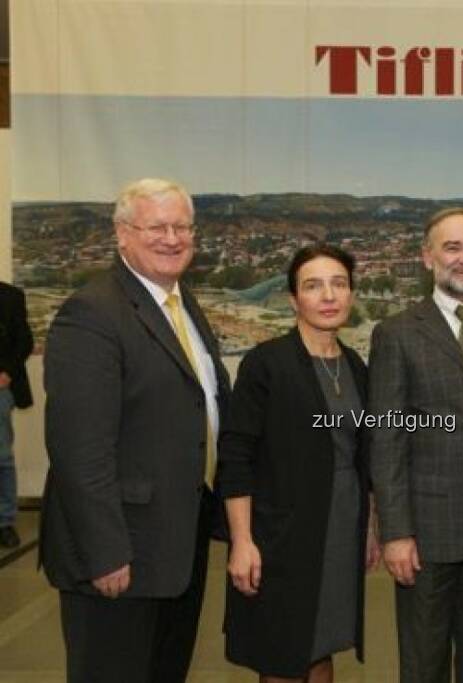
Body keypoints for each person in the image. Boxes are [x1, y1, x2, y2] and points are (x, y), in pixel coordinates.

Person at [40, 178, 231, 682]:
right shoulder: (92, 313)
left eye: (182, 227)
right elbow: (79, 450)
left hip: (175, 548)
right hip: (120, 554)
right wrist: (104, 553)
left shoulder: (182, 303)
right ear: (122, 234)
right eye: (156, 227)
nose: (172, 238)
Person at [368, 207, 463, 683]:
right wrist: (395, 531)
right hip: (425, 533)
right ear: (427, 257)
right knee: (424, 663)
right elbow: (386, 439)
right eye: (452, 247)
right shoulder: (396, 333)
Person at [219, 244, 381, 682]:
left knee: (321, 645)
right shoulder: (266, 364)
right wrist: (242, 541)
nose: (328, 295)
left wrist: (370, 526)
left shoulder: (355, 366)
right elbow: (235, 457)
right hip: (280, 539)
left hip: (339, 532)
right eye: (313, 285)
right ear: (293, 300)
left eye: (339, 284)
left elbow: (361, 455)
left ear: (350, 295)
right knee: (283, 653)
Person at [0, 280, 33, 548]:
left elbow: (24, 341)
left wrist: (6, 373)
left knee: (1, 457)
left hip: (0, 388)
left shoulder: (11, 296)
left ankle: (4, 522)